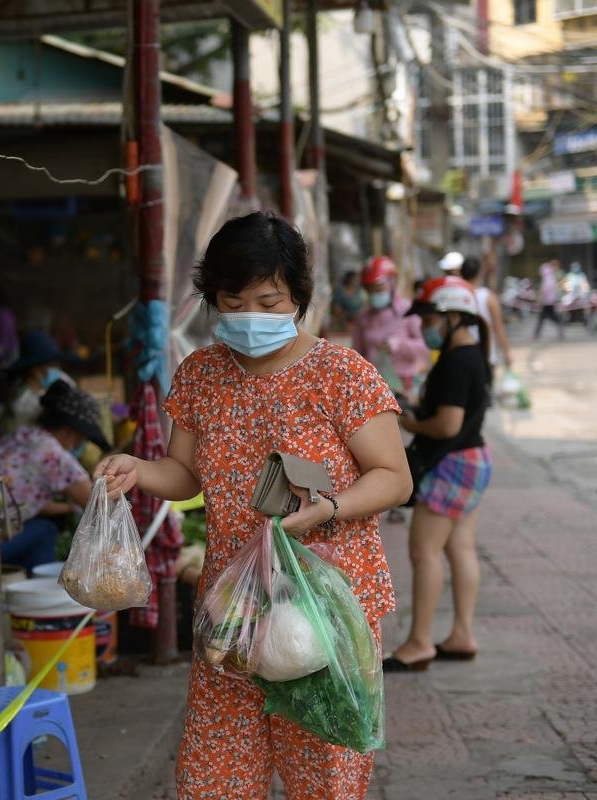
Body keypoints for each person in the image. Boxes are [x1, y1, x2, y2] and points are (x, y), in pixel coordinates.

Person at [97, 212, 411, 799]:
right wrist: (137, 470)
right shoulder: (201, 374)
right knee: (216, 773)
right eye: (233, 301)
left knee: (324, 774)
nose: (251, 317)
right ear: (212, 300)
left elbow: (394, 477)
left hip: (324, 605)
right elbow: (185, 476)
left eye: (269, 302)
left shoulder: (342, 374)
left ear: (298, 297)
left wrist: (331, 506)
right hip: (232, 606)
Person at [386, 276, 493, 672]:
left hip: (453, 461)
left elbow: (447, 425)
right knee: (460, 546)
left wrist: (410, 423)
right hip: (474, 457)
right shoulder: (475, 353)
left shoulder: (453, 361)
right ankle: (462, 633)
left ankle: (418, 643)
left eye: (430, 318)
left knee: (423, 551)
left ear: (450, 316)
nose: (426, 327)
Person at [0, 381, 106, 572]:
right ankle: (39, 588)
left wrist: (68, 507)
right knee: (45, 531)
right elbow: (98, 503)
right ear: (70, 432)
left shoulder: (23, 435)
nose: (78, 446)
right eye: (81, 439)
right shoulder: (53, 455)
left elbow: (26, 500)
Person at [352, 255, 429, 399]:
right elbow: (356, 355)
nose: (374, 294)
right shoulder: (363, 317)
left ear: (392, 283)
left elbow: (424, 348)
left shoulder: (408, 311)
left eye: (378, 288)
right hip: (373, 387)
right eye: (370, 289)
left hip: (405, 386)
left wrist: (399, 345)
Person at [6, 330, 75, 429]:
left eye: (56, 364)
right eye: (50, 365)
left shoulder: (63, 379)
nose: (55, 369)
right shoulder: (22, 398)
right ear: (34, 369)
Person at [461, 254, 511, 368]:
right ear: (479, 273)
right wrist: (506, 352)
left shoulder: (457, 295)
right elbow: (498, 327)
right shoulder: (488, 297)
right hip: (485, 356)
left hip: (461, 356)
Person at [535, 259, 565, 341]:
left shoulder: (549, 278)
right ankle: (537, 334)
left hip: (548, 302)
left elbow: (543, 290)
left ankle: (537, 334)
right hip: (548, 301)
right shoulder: (550, 277)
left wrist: (539, 299)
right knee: (545, 318)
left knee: (546, 318)